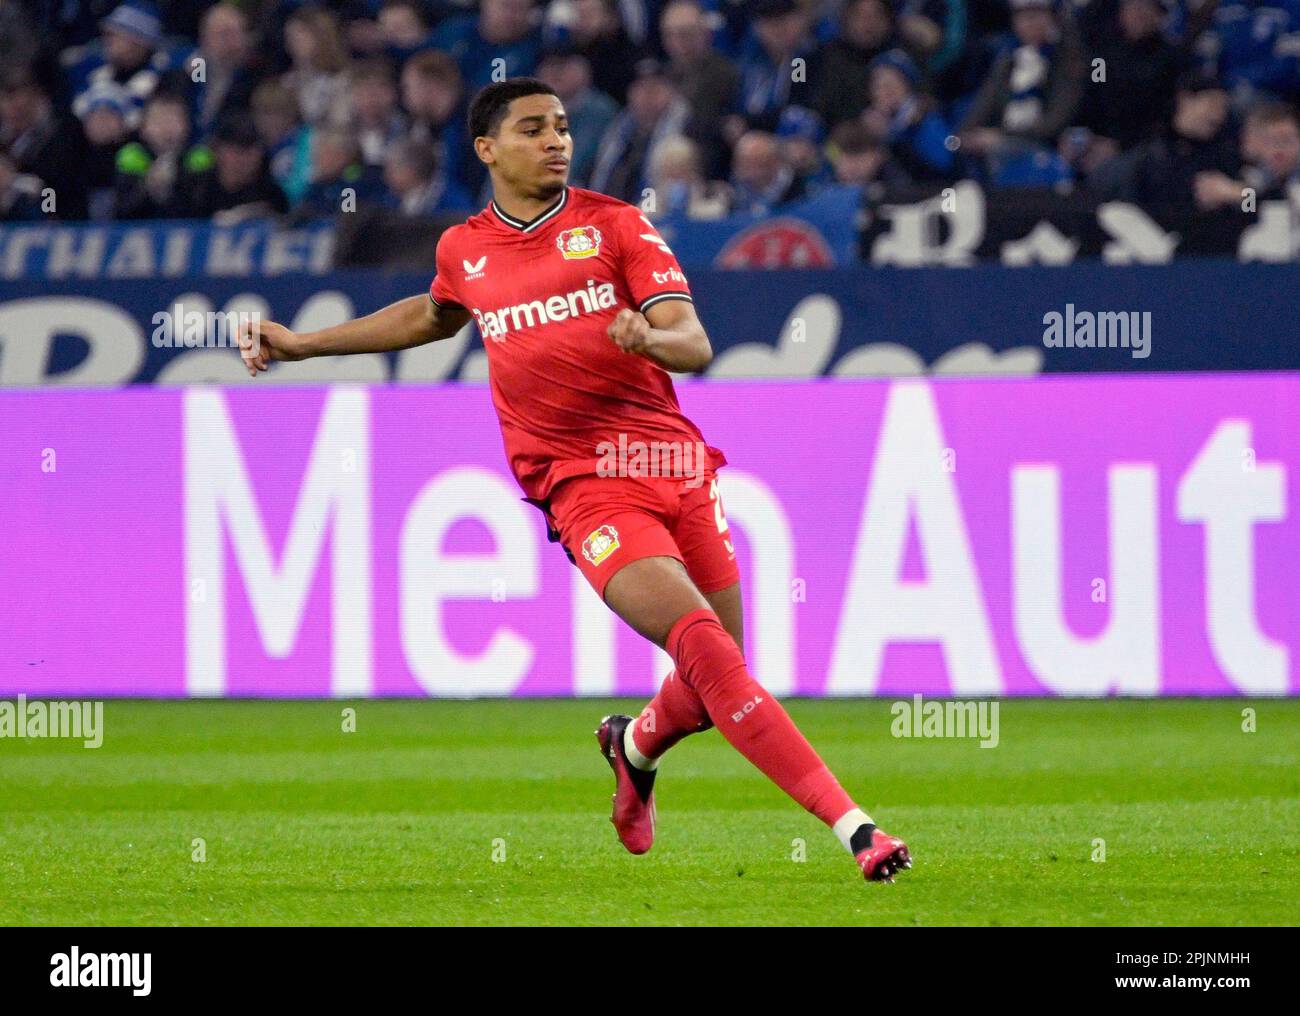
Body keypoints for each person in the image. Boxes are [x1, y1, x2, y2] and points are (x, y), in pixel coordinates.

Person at [236, 77, 912, 885]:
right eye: (533, 129)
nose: (556, 140)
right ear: (487, 149)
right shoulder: (465, 248)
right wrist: (302, 346)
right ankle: (857, 829)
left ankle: (633, 748)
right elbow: (432, 314)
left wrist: (648, 339)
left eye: (561, 127)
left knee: (713, 677)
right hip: (582, 484)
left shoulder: (615, 225)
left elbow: (692, 341)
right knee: (705, 650)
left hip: (672, 466)